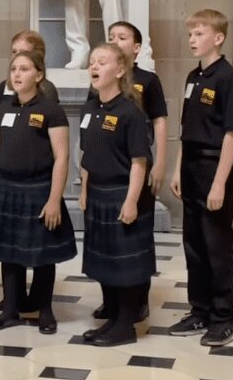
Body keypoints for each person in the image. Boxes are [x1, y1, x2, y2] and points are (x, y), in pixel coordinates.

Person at [0, 51, 76, 335]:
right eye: (13, 69)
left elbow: (62, 157)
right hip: (7, 189)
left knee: (42, 255)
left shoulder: (50, 110)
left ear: (39, 74)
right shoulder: (4, 109)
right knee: (9, 254)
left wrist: (54, 199)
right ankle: (10, 310)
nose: (17, 74)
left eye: (24, 69)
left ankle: (45, 311)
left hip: (39, 189)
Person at [167, 9, 233, 347]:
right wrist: (178, 168)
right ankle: (199, 309)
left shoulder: (227, 78)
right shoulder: (192, 78)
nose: (193, 40)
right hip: (191, 166)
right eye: (191, 35)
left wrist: (219, 183)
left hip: (215, 168)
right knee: (193, 245)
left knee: (217, 245)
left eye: (199, 34)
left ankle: (223, 315)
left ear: (218, 37)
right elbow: (186, 130)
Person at [88, 20, 167, 324]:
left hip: (135, 165)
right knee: (109, 243)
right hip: (106, 175)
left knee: (133, 238)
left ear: (135, 48)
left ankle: (136, 302)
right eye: (111, 37)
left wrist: (159, 161)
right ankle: (114, 304)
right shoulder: (99, 89)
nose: (115, 41)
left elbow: (158, 120)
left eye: (122, 38)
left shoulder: (146, 81)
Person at [77, 44, 154, 347]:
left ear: (120, 71)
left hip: (122, 193)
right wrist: (84, 189)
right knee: (104, 261)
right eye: (92, 62)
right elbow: (86, 155)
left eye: (102, 62)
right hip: (97, 192)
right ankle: (112, 319)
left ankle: (125, 326)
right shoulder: (89, 108)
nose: (94, 67)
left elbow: (139, 162)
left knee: (125, 264)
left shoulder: (130, 112)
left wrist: (132, 200)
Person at [0, 30, 58, 103]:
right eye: (14, 51)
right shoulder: (3, 86)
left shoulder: (46, 89)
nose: (16, 56)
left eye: (22, 52)